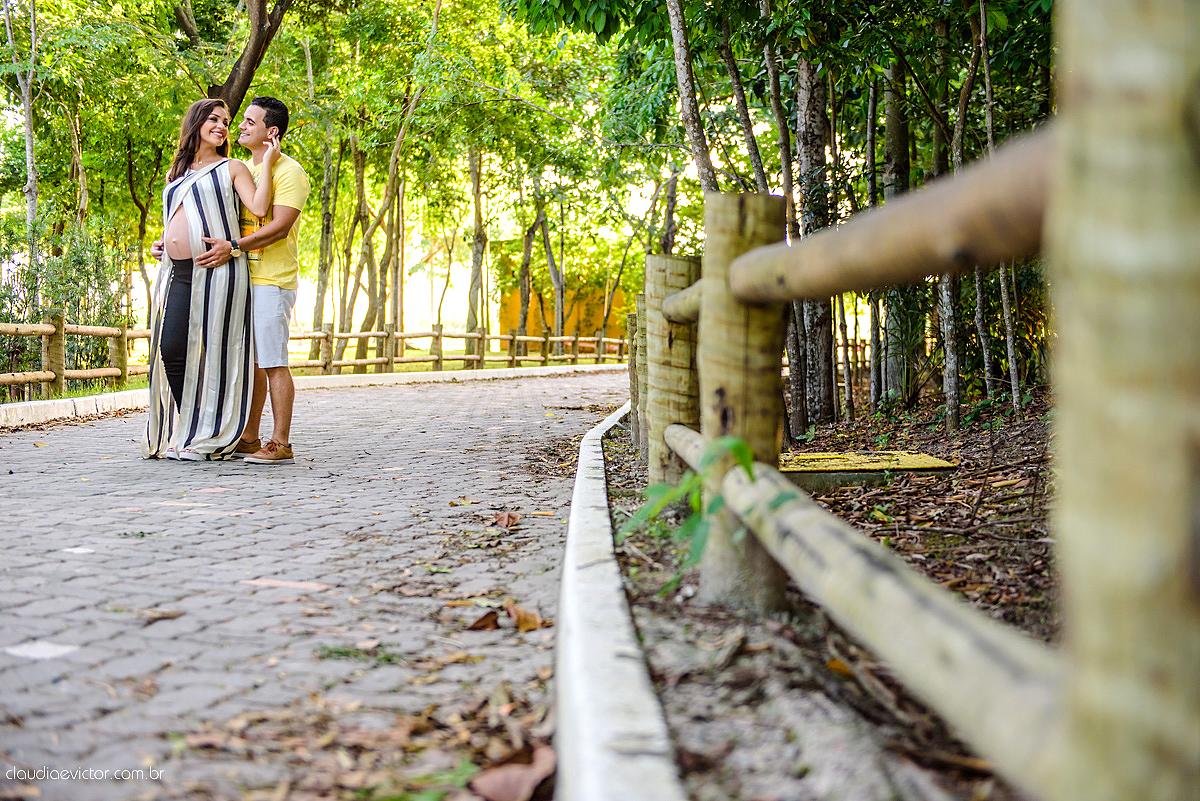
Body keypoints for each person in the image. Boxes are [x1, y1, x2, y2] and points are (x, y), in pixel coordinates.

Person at [143, 98, 278, 461]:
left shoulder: (232, 167)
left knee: (215, 353)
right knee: (171, 348)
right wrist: (164, 242)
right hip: (179, 273)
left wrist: (267, 163)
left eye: (227, 122)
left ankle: (205, 434)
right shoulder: (178, 172)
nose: (222, 126)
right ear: (197, 122)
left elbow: (261, 207)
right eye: (215, 119)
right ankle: (192, 427)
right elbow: (179, 216)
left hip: (219, 272)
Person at [195, 96, 310, 465]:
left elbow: (279, 228)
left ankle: (281, 442)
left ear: (270, 131)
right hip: (242, 277)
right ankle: (248, 437)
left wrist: (234, 247)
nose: (239, 127)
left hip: (272, 280)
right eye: (240, 121)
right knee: (255, 363)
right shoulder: (244, 168)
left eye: (248, 121)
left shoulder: (289, 171)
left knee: (273, 361)